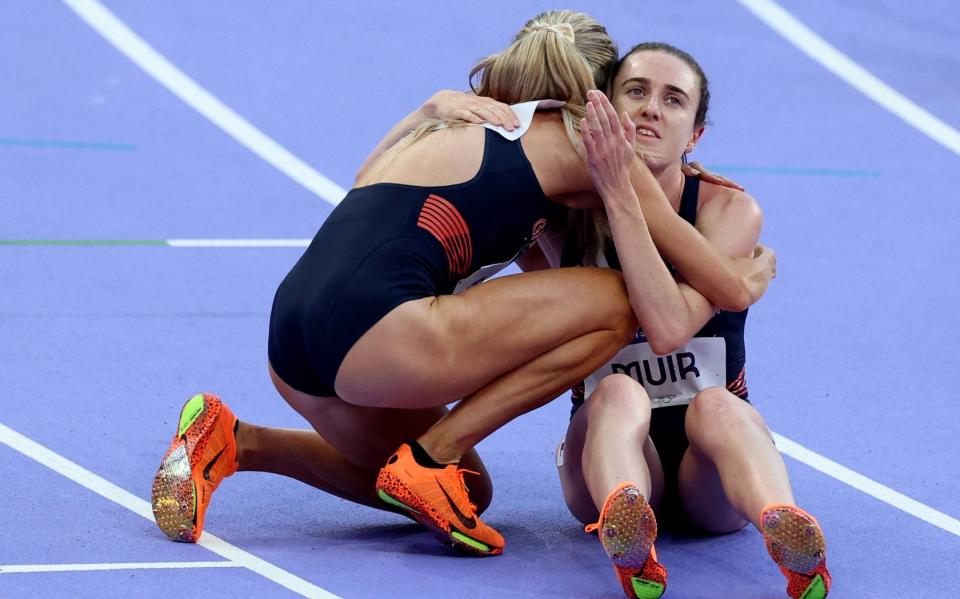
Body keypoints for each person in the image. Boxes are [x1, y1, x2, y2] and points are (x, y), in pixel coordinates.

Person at [151, 11, 776, 560]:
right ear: (596, 96)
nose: (640, 114)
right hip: (382, 333)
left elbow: (362, 186)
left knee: (472, 491)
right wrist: (750, 274)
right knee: (615, 303)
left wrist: (424, 107)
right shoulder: (592, 144)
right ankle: (429, 459)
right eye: (630, 93)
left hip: (292, 341)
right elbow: (691, 299)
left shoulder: (452, 124)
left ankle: (232, 440)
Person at [547, 43, 830, 598]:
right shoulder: (564, 220)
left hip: (712, 473)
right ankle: (629, 539)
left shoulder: (728, 211)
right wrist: (437, 111)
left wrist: (622, 194)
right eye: (636, 92)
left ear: (695, 135)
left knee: (719, 405)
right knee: (619, 394)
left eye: (673, 100)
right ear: (602, 108)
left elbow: (667, 325)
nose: (651, 108)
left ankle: (784, 526)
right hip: (604, 457)